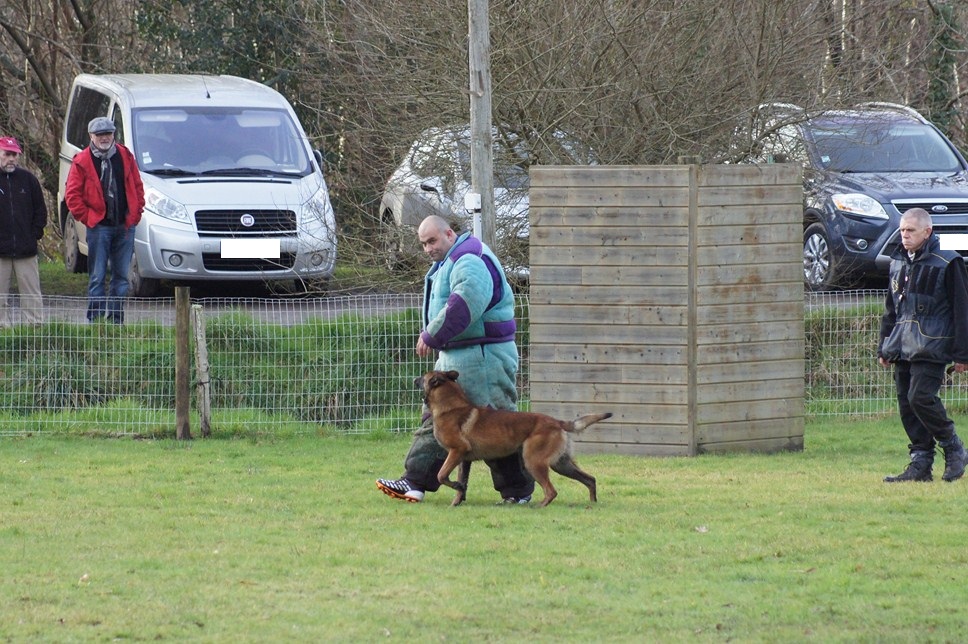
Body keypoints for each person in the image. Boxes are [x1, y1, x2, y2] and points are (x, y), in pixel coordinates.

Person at [376, 215, 535, 503]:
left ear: (449, 233)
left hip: (483, 355)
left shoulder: (469, 260)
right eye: (423, 244)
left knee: (490, 424)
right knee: (468, 421)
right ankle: (515, 491)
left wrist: (431, 335)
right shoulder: (454, 259)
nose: (428, 248)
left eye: (432, 241)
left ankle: (417, 482)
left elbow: (464, 303)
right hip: (464, 353)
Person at [878, 207, 968, 482]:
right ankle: (920, 464)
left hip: (933, 344)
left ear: (927, 231)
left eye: (910, 231)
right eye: (902, 230)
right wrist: (884, 345)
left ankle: (953, 448)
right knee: (907, 403)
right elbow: (891, 309)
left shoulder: (948, 262)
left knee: (920, 397)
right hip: (901, 344)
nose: (904, 236)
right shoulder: (897, 263)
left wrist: (963, 354)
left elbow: (962, 309)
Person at [65, 117, 145, 324]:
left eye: (108, 134)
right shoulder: (82, 161)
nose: (104, 138)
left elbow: (137, 186)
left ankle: (116, 322)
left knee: (121, 278)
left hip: (125, 227)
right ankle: (96, 322)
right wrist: (90, 218)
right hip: (99, 228)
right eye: (100, 135)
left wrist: (135, 215)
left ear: (113, 135)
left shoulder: (125, 155)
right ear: (91, 136)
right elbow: (72, 197)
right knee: (97, 277)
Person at [0, 136, 47, 325]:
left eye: (14, 155)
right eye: (7, 154)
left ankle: (34, 328)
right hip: (0, 252)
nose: (11, 159)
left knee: (31, 293)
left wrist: (33, 235)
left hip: (26, 249)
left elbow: (40, 211)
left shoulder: (28, 180)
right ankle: (2, 331)